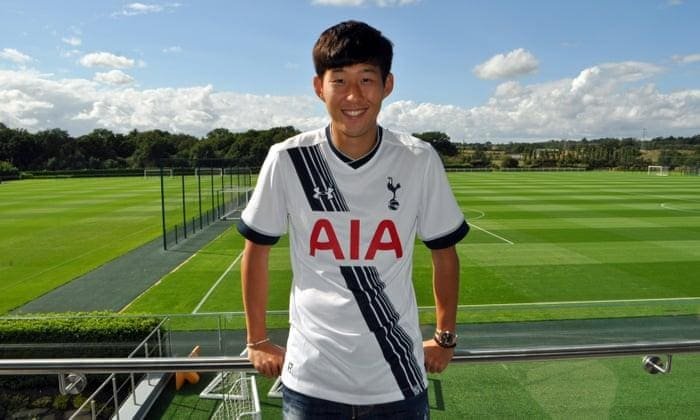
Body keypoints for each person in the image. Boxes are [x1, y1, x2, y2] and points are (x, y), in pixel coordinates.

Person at [237, 20, 469, 419]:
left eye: (366, 79)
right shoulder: (289, 158)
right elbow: (255, 251)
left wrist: (444, 337)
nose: (353, 95)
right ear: (318, 87)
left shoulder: (418, 158)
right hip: (311, 381)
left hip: (397, 381)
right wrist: (257, 339)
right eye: (339, 80)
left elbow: (444, 253)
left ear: (387, 85)